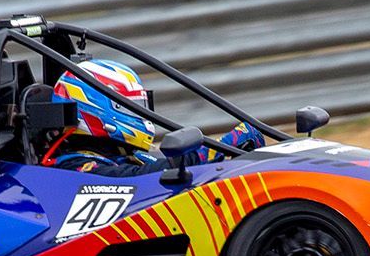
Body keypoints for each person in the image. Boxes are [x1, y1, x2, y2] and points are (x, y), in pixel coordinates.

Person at [40, 58, 264, 177]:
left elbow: (155, 163)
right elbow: (139, 177)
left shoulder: (122, 155)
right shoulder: (76, 167)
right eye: (129, 106)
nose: (138, 114)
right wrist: (216, 150)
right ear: (93, 111)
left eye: (140, 106)